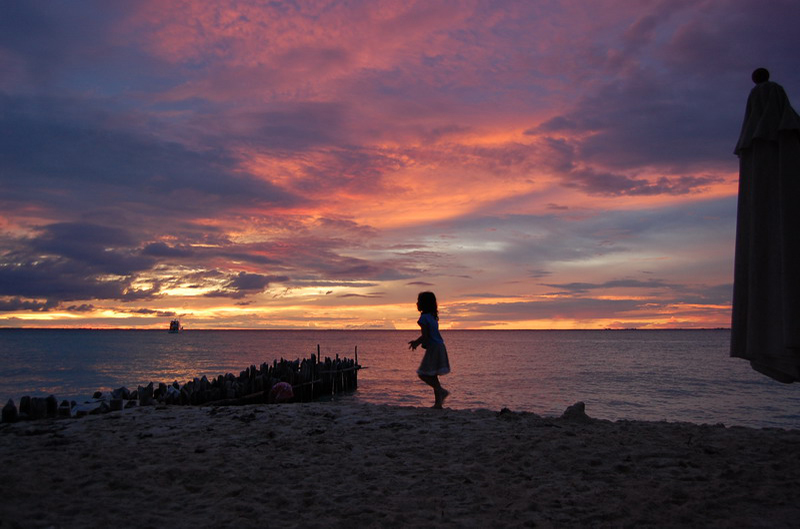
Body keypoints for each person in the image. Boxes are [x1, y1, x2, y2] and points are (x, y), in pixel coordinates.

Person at [408, 291, 451, 408]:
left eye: (418, 301)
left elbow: (426, 336)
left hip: (434, 348)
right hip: (440, 346)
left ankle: (441, 391)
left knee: (423, 374)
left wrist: (416, 342)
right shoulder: (432, 317)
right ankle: (438, 404)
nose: (416, 304)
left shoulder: (423, 318)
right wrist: (424, 343)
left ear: (423, 304)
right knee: (433, 375)